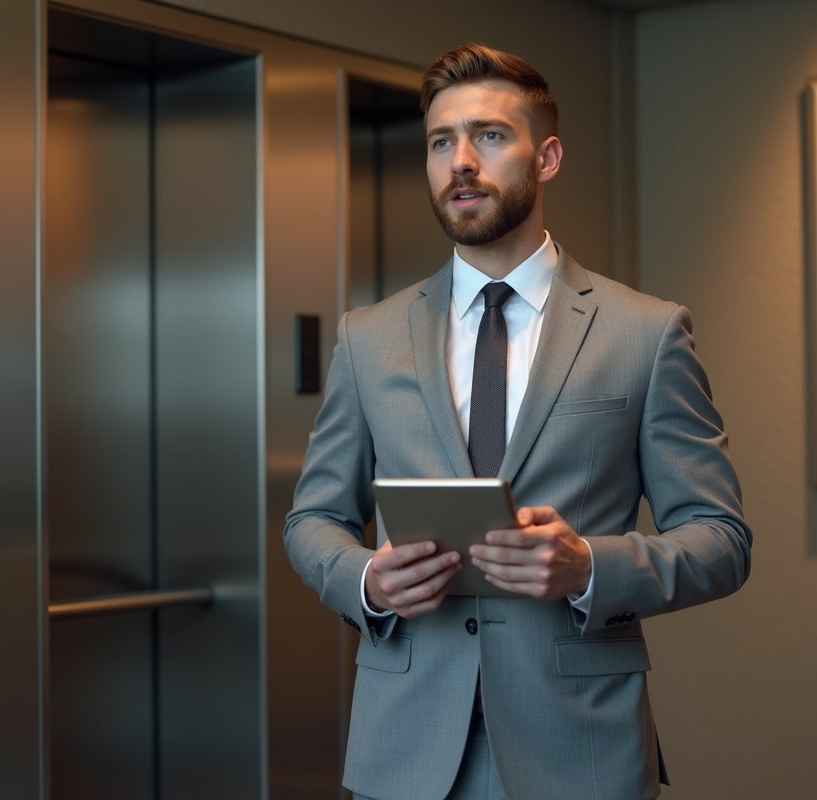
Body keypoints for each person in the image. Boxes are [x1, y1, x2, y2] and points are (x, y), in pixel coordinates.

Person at [284, 43, 751, 800]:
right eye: (441, 142)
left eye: (490, 136)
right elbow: (312, 520)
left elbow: (722, 540)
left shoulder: (647, 333)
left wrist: (589, 567)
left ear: (549, 156)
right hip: (401, 749)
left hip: (583, 749)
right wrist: (366, 578)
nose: (460, 161)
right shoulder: (366, 335)